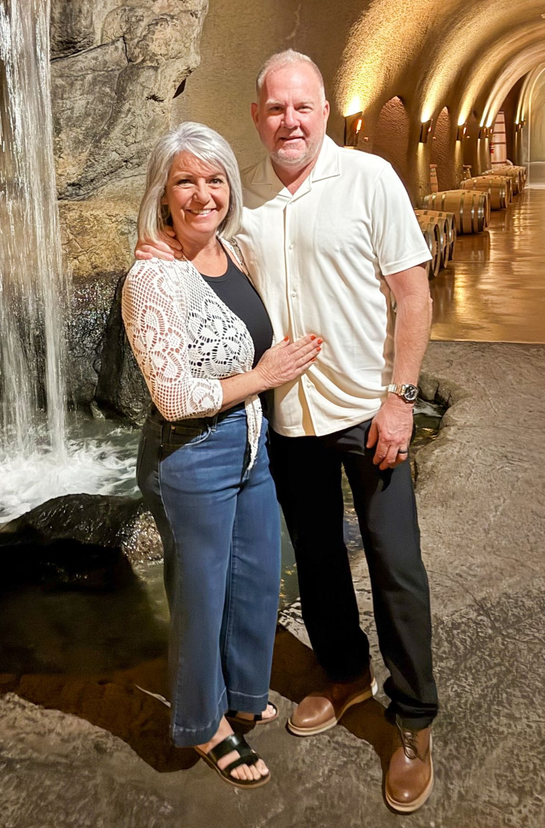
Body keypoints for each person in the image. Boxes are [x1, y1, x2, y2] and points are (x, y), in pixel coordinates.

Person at [135, 51, 439, 814]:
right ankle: (341, 677)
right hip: (290, 422)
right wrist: (161, 245)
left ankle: (411, 720)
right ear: (257, 116)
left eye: (301, 106)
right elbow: (205, 252)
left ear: (324, 109)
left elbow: (412, 295)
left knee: (396, 565)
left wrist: (400, 397)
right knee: (317, 560)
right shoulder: (245, 196)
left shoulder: (368, 178)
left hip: (370, 411)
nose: (289, 121)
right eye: (275, 108)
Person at [122, 121, 321, 790]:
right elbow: (175, 397)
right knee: (201, 597)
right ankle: (201, 724)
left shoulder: (236, 252)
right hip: (190, 455)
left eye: (213, 179)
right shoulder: (153, 279)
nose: (202, 193)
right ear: (163, 193)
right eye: (185, 180)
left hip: (249, 446)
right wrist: (263, 378)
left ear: (230, 188)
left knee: (255, 578)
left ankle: (239, 693)